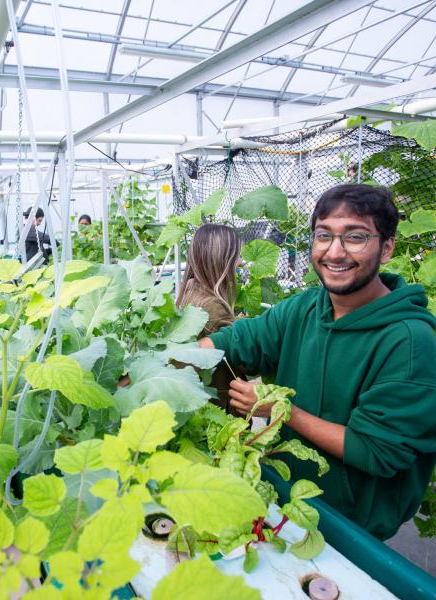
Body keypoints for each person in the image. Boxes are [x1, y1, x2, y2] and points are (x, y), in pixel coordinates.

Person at [200, 184, 436, 540]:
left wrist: (279, 409)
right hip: (286, 497)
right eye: (323, 235)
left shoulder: (409, 342)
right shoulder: (307, 307)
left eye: (355, 237)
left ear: (387, 248)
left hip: (354, 526)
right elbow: (235, 341)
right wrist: (155, 366)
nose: (335, 252)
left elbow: (375, 450)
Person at [177, 223, 243, 414]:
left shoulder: (190, 292)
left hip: (200, 405)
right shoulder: (213, 307)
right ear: (222, 261)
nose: (239, 263)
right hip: (221, 413)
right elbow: (244, 359)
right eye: (236, 257)